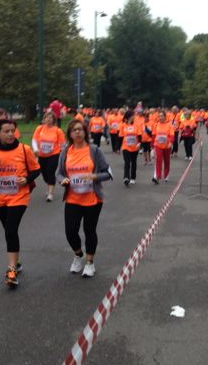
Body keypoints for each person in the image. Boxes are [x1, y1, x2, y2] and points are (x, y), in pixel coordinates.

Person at [0, 119, 40, 287]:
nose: (11, 134)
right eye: (6, 131)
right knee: (9, 231)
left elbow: (36, 170)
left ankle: (11, 271)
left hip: (19, 197)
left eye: (13, 130)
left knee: (11, 230)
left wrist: (26, 179)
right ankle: (16, 261)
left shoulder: (24, 150)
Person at [57, 119, 112, 278]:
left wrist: (95, 176)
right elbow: (59, 173)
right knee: (70, 231)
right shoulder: (66, 152)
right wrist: (63, 180)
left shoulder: (94, 150)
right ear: (70, 134)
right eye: (74, 130)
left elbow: (108, 173)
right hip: (73, 199)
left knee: (89, 230)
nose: (78, 132)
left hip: (92, 199)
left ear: (85, 132)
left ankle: (89, 263)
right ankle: (78, 255)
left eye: (80, 129)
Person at [32, 111, 65, 202]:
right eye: (47, 117)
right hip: (42, 155)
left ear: (54, 120)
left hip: (54, 154)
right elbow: (34, 140)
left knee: (50, 172)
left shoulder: (58, 130)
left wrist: (62, 155)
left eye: (51, 118)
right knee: (44, 173)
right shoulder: (39, 128)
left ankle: (50, 194)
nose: (48, 119)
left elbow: (62, 145)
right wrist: (35, 149)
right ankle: (50, 183)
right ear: (44, 119)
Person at [151, 110, 175, 184]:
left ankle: (166, 174)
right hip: (158, 145)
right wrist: (152, 147)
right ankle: (157, 177)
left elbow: (172, 135)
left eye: (162, 116)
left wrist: (170, 142)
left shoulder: (169, 125)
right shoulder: (156, 125)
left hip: (167, 146)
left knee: (166, 161)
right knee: (158, 159)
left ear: (165, 117)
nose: (160, 117)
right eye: (159, 116)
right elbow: (153, 136)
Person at [119, 110, 142, 186]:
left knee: (133, 162)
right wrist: (118, 147)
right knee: (127, 162)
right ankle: (126, 177)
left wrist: (139, 143)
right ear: (129, 116)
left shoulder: (137, 124)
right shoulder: (123, 125)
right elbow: (120, 137)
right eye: (133, 115)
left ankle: (133, 177)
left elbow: (139, 135)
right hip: (126, 146)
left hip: (135, 147)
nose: (134, 116)